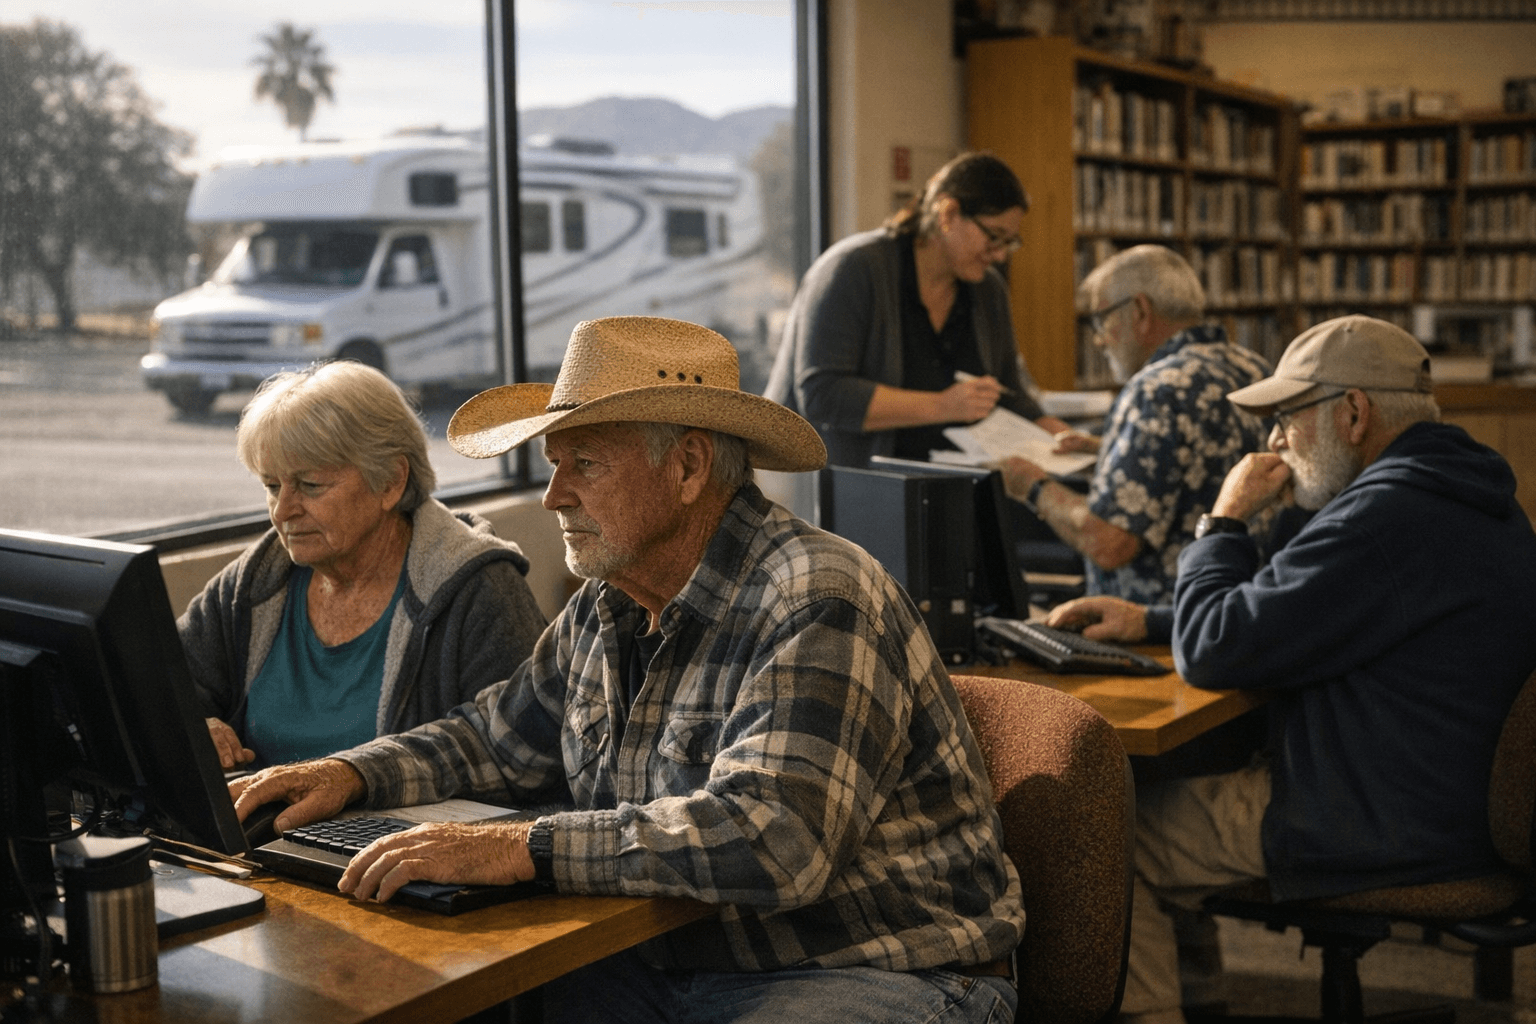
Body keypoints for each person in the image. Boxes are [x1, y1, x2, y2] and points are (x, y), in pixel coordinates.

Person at [230, 317, 1025, 1024]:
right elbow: (494, 737)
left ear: (687, 468)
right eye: (552, 463)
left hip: (882, 968)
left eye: (584, 463)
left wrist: (522, 848)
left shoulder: (818, 598)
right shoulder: (606, 601)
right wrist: (346, 776)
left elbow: (775, 840)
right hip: (677, 963)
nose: (552, 497)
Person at [1051, 315, 1536, 1024]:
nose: (1272, 442)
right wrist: (1150, 620)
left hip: (1380, 816)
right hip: (1449, 796)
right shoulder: (1458, 491)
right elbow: (1299, 608)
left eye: (1285, 419)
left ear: (1353, 412)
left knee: (1101, 837)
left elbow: (1216, 649)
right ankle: (1209, 997)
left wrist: (1222, 521)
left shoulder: (1380, 521)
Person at [180, 360, 547, 770]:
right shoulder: (258, 579)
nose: (282, 511)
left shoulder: (478, 590)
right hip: (258, 829)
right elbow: (155, 682)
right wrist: (191, 723)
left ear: (391, 481)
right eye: (271, 486)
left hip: (404, 833)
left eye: (310, 486)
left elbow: (527, 759)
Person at [998, 244, 1273, 605]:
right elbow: (1199, 467)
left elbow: (1110, 543)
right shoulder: (1254, 370)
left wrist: (1033, 486)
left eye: (1101, 319)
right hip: (1242, 607)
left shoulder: (1156, 390)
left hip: (1159, 627)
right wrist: (1107, 452)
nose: (1098, 339)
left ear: (1141, 311)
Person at [764, 151, 1072, 471]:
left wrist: (1055, 431)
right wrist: (943, 406)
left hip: (960, 484)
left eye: (1009, 242)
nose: (998, 255)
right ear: (948, 213)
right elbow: (823, 396)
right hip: (860, 488)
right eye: (993, 236)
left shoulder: (987, 288)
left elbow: (1007, 390)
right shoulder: (854, 268)